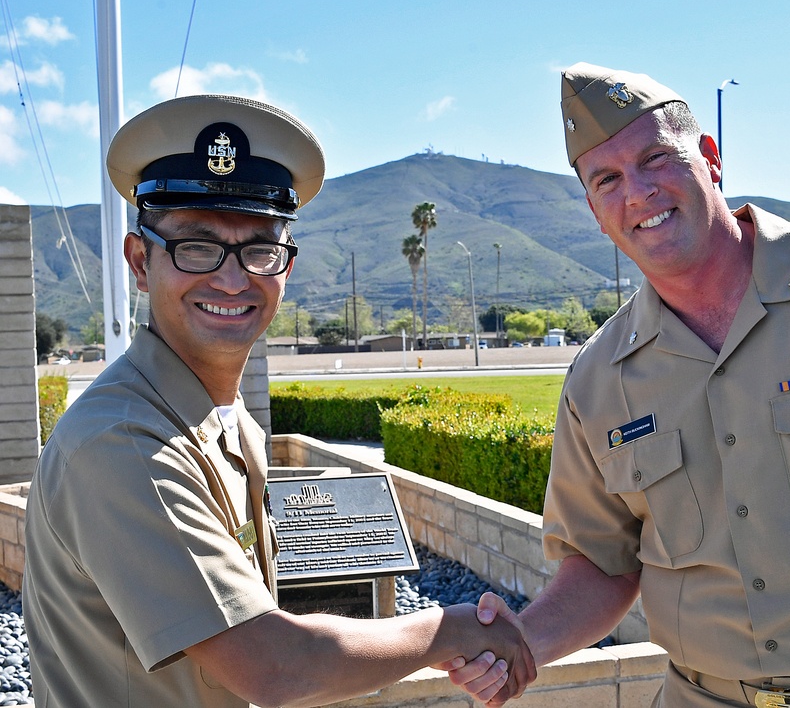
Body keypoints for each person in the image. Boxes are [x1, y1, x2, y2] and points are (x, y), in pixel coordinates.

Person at [450, 62, 790, 707]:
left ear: (709, 158)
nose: (638, 192)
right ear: (596, 212)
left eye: (656, 158)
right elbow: (602, 564)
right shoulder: (600, 379)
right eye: (608, 179)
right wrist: (519, 644)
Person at [23, 94, 534, 708]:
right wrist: (448, 631)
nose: (232, 278)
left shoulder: (222, 420)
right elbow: (272, 666)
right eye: (197, 246)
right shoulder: (124, 443)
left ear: (285, 268)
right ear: (140, 261)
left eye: (259, 249)